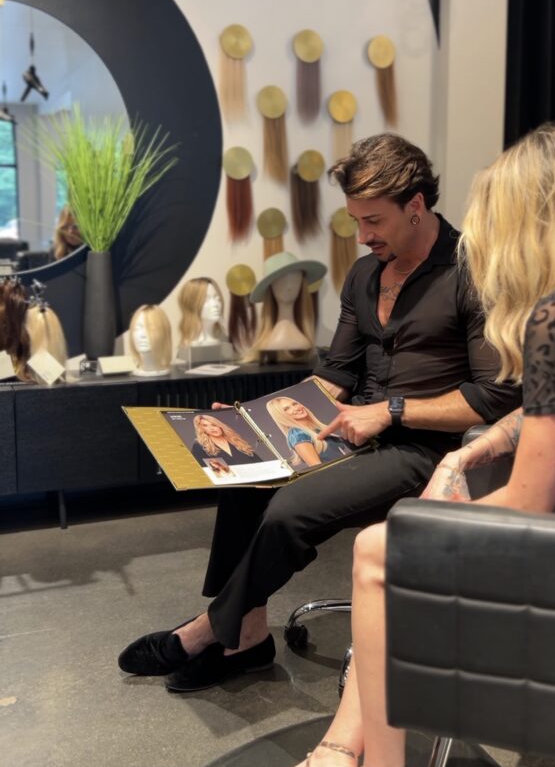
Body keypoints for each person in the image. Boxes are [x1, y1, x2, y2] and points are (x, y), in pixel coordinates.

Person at [218, 124, 555, 767]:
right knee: (393, 550)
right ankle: (336, 761)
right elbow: (546, 408)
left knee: (380, 554)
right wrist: (478, 450)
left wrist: (444, 484)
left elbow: (532, 499)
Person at [118, 132, 520, 691]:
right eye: (355, 221)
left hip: (425, 448)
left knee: (289, 509)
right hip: (355, 432)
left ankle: (205, 632)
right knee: (243, 479)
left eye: (373, 221)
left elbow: (495, 396)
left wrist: (390, 411)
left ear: (416, 206)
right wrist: (252, 418)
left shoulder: (472, 272)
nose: (363, 235)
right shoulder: (365, 275)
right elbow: (335, 378)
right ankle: (246, 638)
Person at [265, 395, 350, 466]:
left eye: (295, 404)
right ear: (281, 416)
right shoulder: (297, 433)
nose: (296, 408)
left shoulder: (315, 429)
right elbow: (317, 467)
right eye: (287, 409)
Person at [191, 414, 262, 466]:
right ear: (202, 429)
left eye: (214, 425)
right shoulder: (199, 445)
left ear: (219, 425)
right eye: (205, 425)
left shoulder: (235, 440)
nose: (211, 428)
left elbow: (259, 462)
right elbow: (201, 469)